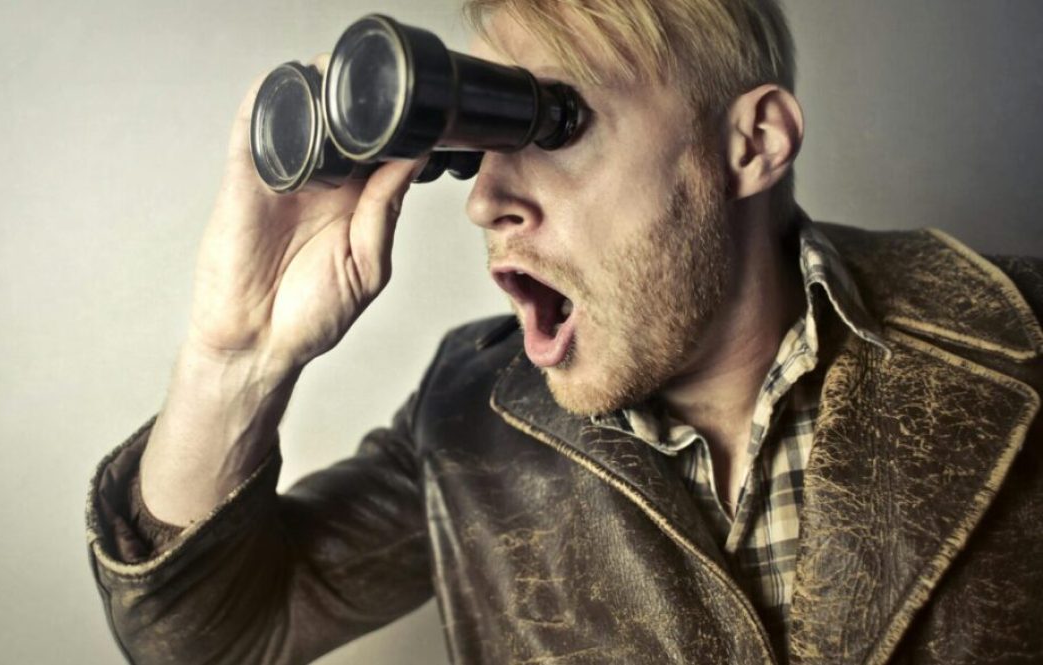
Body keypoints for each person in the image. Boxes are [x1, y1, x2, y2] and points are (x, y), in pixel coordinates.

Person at [86, 1, 1043, 663]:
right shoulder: (469, 415)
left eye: (557, 124)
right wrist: (236, 360)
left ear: (752, 143)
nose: (487, 200)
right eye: (478, 150)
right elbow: (212, 637)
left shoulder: (1021, 334)